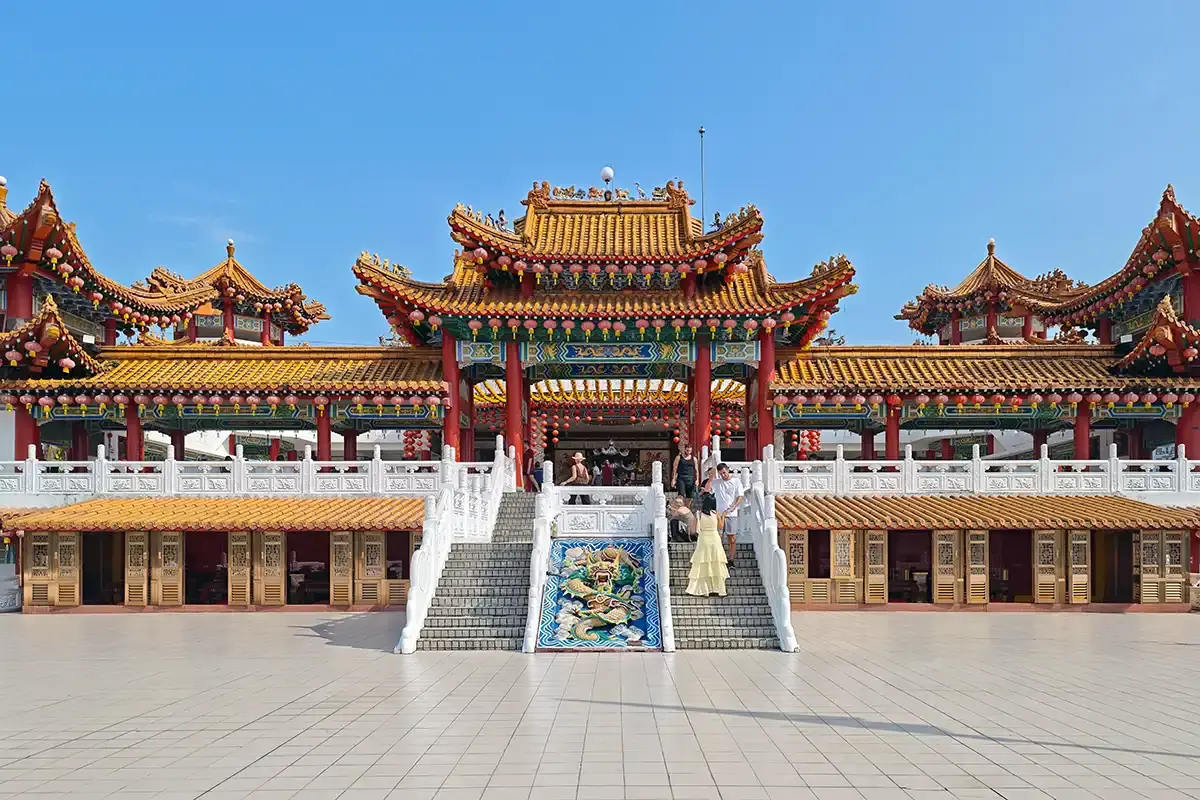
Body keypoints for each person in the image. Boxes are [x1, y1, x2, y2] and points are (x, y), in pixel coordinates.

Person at [685, 493, 728, 597]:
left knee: (703, 565)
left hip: (703, 539)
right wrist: (723, 516)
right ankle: (718, 589)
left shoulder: (698, 514)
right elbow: (721, 526)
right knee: (715, 563)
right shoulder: (716, 513)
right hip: (714, 539)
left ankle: (705, 590)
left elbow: (694, 530)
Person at [703, 463, 743, 568]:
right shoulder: (717, 482)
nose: (723, 475)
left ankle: (731, 559)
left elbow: (740, 496)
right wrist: (711, 477)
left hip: (731, 514)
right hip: (719, 514)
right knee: (717, 537)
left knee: (732, 537)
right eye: (721, 474)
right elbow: (706, 489)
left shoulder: (736, 482)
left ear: (728, 470)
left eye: (724, 473)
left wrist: (735, 505)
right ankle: (719, 559)